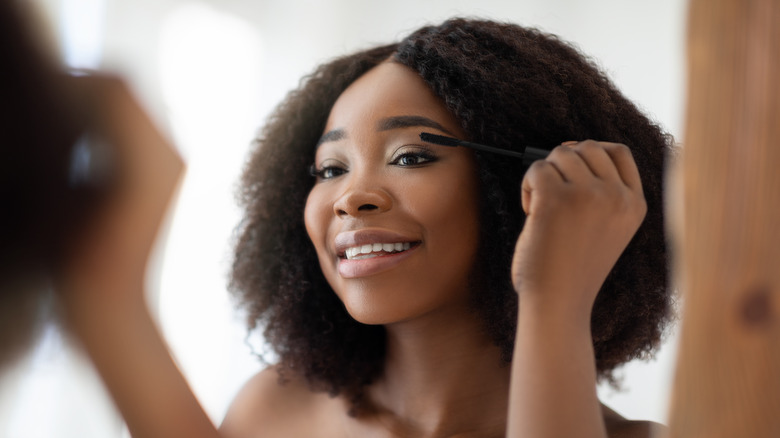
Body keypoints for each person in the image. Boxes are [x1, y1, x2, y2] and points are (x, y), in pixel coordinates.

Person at [221, 18, 672, 438]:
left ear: (527, 185)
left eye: (410, 157)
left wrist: (554, 292)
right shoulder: (272, 412)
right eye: (331, 170)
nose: (350, 198)